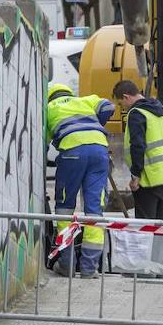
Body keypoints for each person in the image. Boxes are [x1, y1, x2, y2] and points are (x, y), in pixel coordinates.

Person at [44, 81, 117, 277]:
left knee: (65, 210)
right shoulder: (86, 100)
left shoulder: (48, 108)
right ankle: (89, 269)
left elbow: (42, 142)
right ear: (69, 92)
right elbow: (109, 106)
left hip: (71, 154)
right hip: (99, 152)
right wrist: (94, 125)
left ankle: (67, 266)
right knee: (94, 211)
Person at [117, 80, 163, 220]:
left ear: (126, 97)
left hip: (148, 177)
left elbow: (138, 146)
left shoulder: (136, 114)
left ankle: (150, 243)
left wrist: (135, 175)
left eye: (120, 103)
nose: (122, 107)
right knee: (160, 221)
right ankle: (161, 243)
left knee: (145, 224)